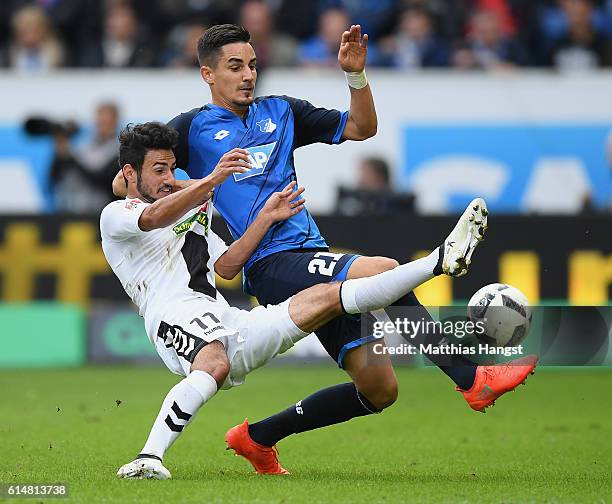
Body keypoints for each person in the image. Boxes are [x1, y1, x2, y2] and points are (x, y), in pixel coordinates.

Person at [111, 23, 535, 474]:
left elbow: (362, 127)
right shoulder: (192, 129)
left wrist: (356, 76)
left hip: (310, 252)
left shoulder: (282, 112)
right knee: (381, 269)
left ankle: (257, 437)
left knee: (380, 389)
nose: (248, 75)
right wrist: (172, 182)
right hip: (269, 264)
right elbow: (131, 177)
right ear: (208, 75)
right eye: (235, 67)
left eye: (252, 65)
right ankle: (472, 378)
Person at [50, 102, 120, 213]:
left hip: (99, 212)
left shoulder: (119, 149)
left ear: (115, 121)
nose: (102, 124)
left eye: (106, 120)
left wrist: (71, 158)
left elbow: (101, 179)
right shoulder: (83, 146)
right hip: (72, 209)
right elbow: (54, 178)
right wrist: (59, 153)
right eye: (99, 120)